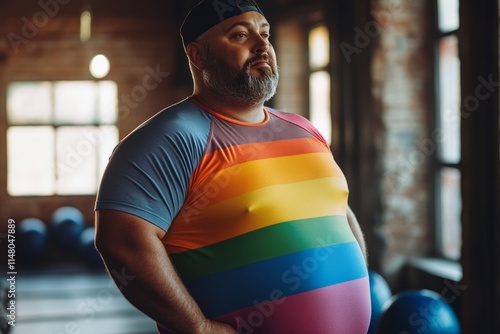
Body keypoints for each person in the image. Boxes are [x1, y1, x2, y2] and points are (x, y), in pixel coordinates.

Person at [94, 0, 371, 333]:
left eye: (265, 33)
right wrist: (198, 327)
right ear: (197, 55)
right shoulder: (170, 138)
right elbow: (121, 242)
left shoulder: (304, 128)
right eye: (240, 35)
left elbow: (338, 210)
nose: (261, 45)